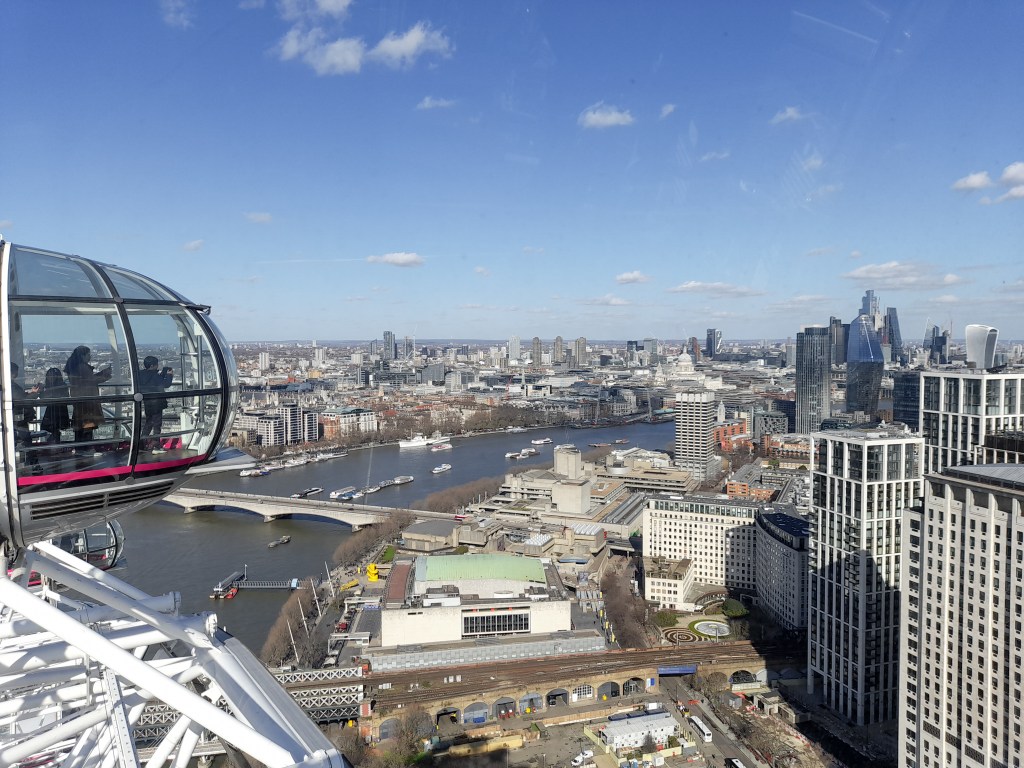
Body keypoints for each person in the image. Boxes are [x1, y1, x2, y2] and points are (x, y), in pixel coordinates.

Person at [65, 345, 112, 447]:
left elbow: (87, 380)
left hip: (79, 399)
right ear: (82, 356)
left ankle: (80, 447)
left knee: (80, 426)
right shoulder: (82, 367)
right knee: (87, 425)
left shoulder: (74, 366)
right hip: (87, 401)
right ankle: (86, 448)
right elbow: (91, 381)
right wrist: (105, 374)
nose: (90, 356)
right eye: (88, 354)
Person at [138, 355, 173, 452]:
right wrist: (169, 375)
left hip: (147, 402)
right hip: (157, 402)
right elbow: (166, 384)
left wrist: (162, 374)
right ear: (152, 365)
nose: (158, 366)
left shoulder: (141, 375)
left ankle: (141, 444)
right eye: (156, 365)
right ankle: (156, 444)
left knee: (148, 423)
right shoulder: (155, 376)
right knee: (157, 424)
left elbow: (153, 381)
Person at [39, 367, 72, 442]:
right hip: (59, 412)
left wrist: (41, 391)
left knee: (53, 429)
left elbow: (46, 396)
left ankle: (54, 442)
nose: (50, 378)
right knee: (55, 430)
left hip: (54, 411)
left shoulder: (57, 386)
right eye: (49, 376)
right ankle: (55, 442)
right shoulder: (62, 385)